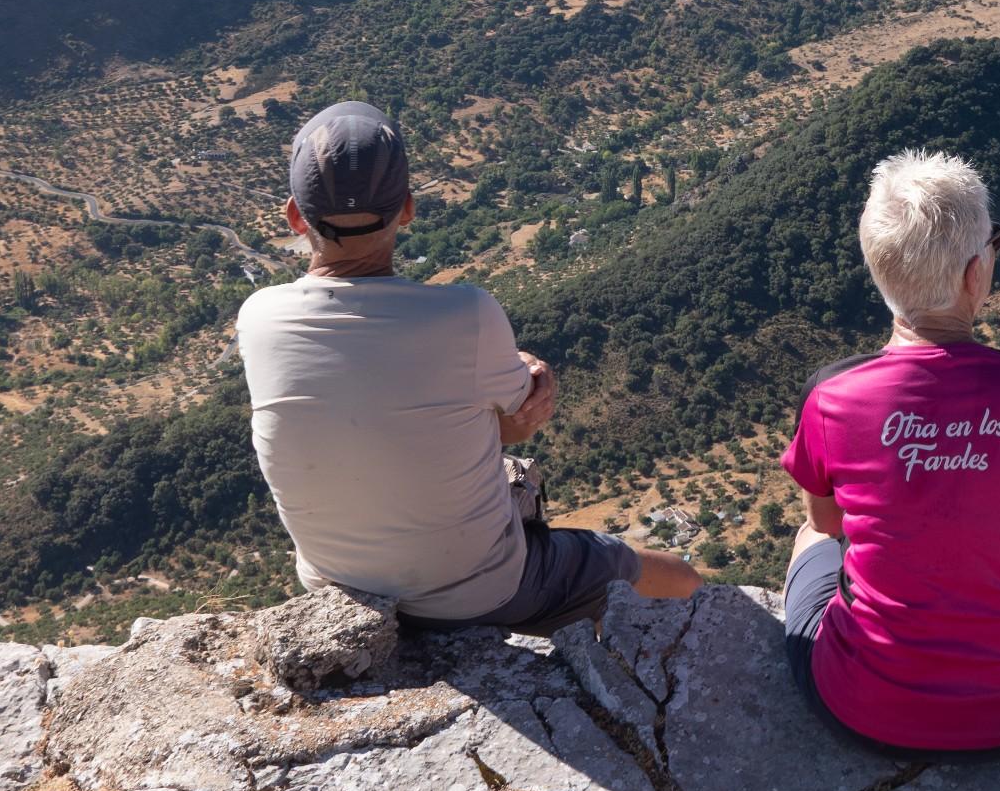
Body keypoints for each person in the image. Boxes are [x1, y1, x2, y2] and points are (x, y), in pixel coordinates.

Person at [237, 101, 701, 633]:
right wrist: (522, 405)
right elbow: (513, 419)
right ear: (408, 209)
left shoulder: (259, 318)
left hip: (340, 590)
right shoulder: (465, 314)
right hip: (482, 595)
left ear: (294, 215)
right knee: (679, 579)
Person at [780, 149, 1000, 756]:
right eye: (995, 244)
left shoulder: (831, 397)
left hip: (863, 705)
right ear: (976, 273)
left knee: (808, 542)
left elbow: (826, 524)